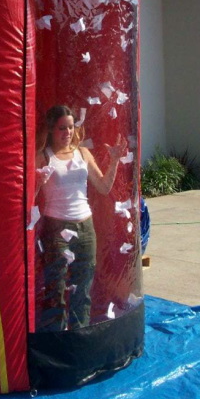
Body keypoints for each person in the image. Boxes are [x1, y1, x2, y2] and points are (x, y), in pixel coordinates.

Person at [35, 105, 126, 332]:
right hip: (57, 226)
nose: (67, 133)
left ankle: (80, 334)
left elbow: (104, 187)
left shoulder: (83, 153)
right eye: (61, 128)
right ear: (51, 130)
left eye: (70, 127)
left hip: (85, 225)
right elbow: (29, 199)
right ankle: (56, 338)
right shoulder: (43, 157)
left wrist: (114, 160)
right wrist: (38, 184)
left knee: (83, 286)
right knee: (56, 286)